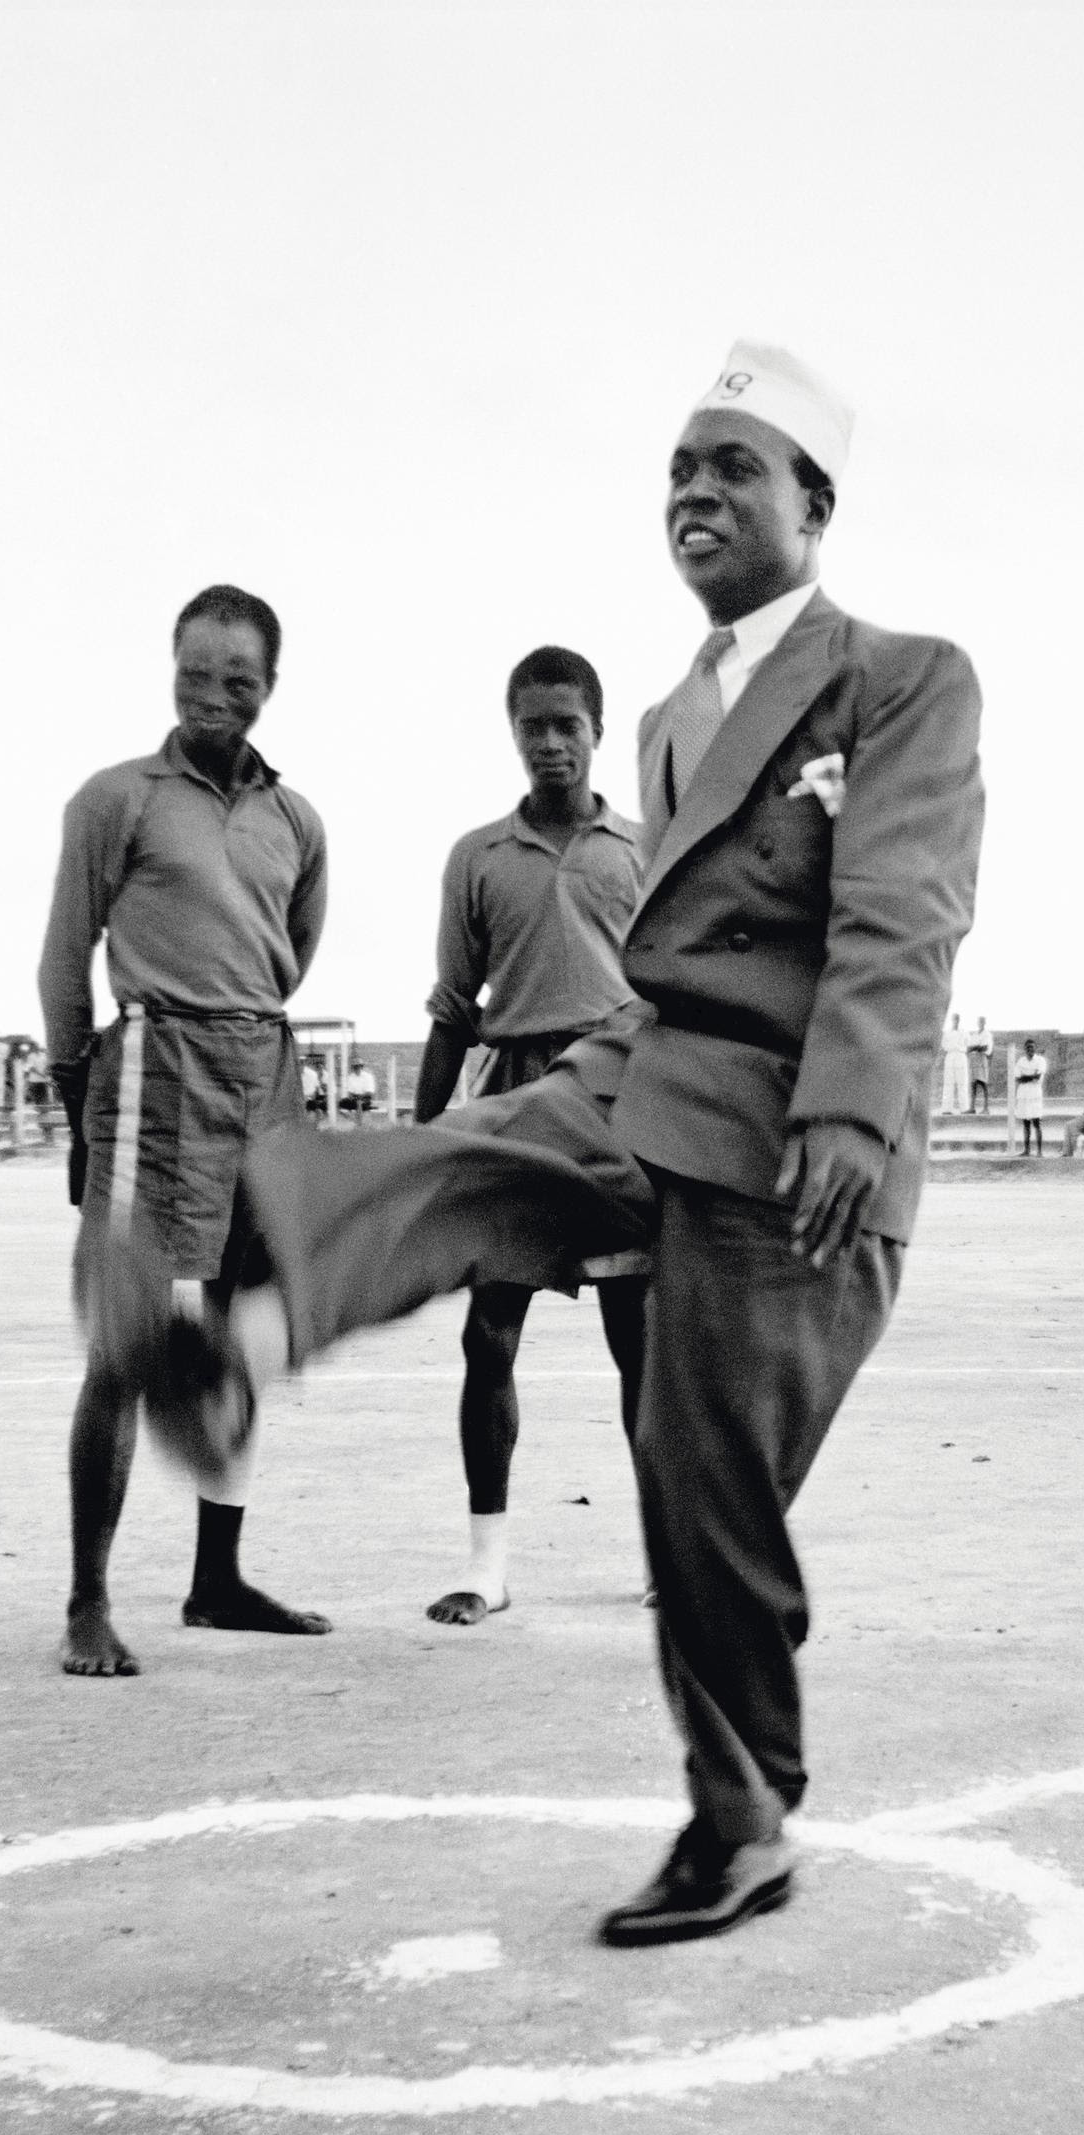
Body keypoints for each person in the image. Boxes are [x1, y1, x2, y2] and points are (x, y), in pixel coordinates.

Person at [94, 339, 983, 1948]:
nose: (694, 494)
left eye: (734, 468)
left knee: (699, 1482)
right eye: (677, 472)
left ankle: (744, 1820)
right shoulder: (665, 716)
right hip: (642, 1065)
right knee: (455, 1154)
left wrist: (859, 1109)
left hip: (796, 1135)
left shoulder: (906, 677)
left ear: (818, 500)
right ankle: (241, 1348)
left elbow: (900, 917)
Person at [37, 583, 331, 1676]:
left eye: (239, 681)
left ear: (269, 686)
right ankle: (87, 1601)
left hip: (263, 1071)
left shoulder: (297, 818)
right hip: (152, 1072)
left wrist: (249, 1032)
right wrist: (83, 1099)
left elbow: (291, 947)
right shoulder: (115, 799)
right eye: (197, 676)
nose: (216, 698)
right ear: (171, 670)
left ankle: (218, 1580)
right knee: (124, 1343)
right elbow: (65, 961)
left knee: (242, 1332)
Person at [412, 645, 649, 1626]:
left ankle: (667, 1559)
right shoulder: (478, 856)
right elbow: (452, 1008)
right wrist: (423, 1141)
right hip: (514, 1103)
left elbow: (678, 996)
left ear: (597, 729)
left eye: (568, 725)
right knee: (489, 1335)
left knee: (639, 1345)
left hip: (614, 1104)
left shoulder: (642, 847)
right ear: (513, 732)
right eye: (533, 726)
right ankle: (488, 1566)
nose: (551, 743)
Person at [1012, 1038, 1048, 1155]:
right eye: (1028, 1048)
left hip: (1035, 1094)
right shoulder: (1021, 1061)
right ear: (1025, 1049)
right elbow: (1017, 1078)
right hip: (1023, 1094)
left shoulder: (1040, 1060)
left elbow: (1038, 1077)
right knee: (1026, 1123)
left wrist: (1026, 1077)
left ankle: (1039, 1151)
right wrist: (1031, 1077)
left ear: (1035, 1048)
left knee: (1037, 1122)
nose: (1030, 1049)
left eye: (1032, 1047)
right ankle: (1026, 1150)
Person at [939, 1010, 966, 1114]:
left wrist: (959, 1048)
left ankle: (964, 1108)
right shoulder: (947, 1033)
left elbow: (967, 1044)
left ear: (959, 1020)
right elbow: (944, 1045)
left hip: (961, 1056)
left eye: (957, 1019)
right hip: (950, 1056)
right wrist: (952, 1048)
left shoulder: (963, 1032)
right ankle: (946, 1109)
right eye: (954, 1019)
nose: (956, 1021)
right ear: (951, 1020)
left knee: (962, 1083)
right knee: (948, 1083)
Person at [966, 1014, 994, 1112]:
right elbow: (968, 1048)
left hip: (982, 1058)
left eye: (982, 1021)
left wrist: (975, 1047)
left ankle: (986, 1108)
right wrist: (976, 1047)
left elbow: (985, 1048)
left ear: (984, 1023)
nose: (980, 1023)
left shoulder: (987, 1034)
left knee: (983, 1083)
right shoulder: (974, 1034)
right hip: (974, 1059)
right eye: (979, 1021)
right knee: (973, 1084)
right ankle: (972, 1108)